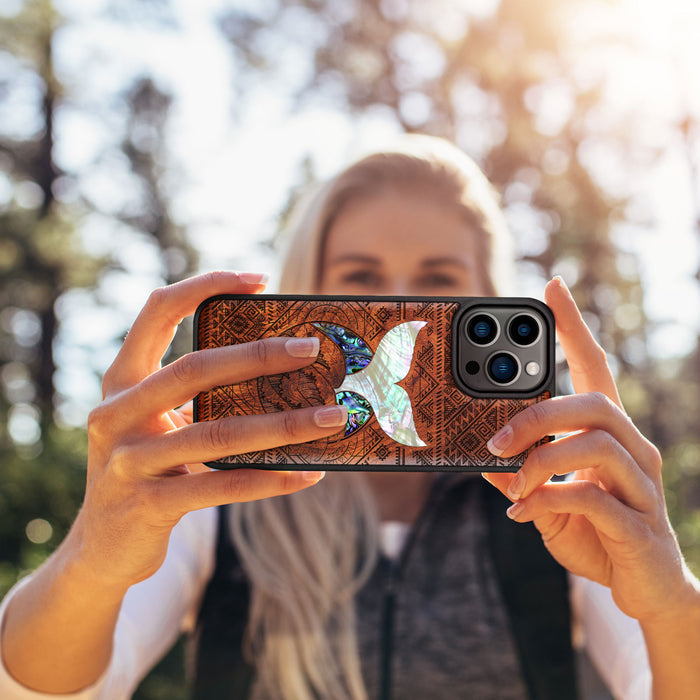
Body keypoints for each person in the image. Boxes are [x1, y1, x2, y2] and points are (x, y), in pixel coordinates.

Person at [1, 135, 699, 700]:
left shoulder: (554, 502)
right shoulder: (218, 496)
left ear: (487, 299)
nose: (399, 303)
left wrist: (670, 604)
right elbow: (48, 689)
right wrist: (94, 557)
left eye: (438, 281)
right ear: (307, 290)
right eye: (362, 279)